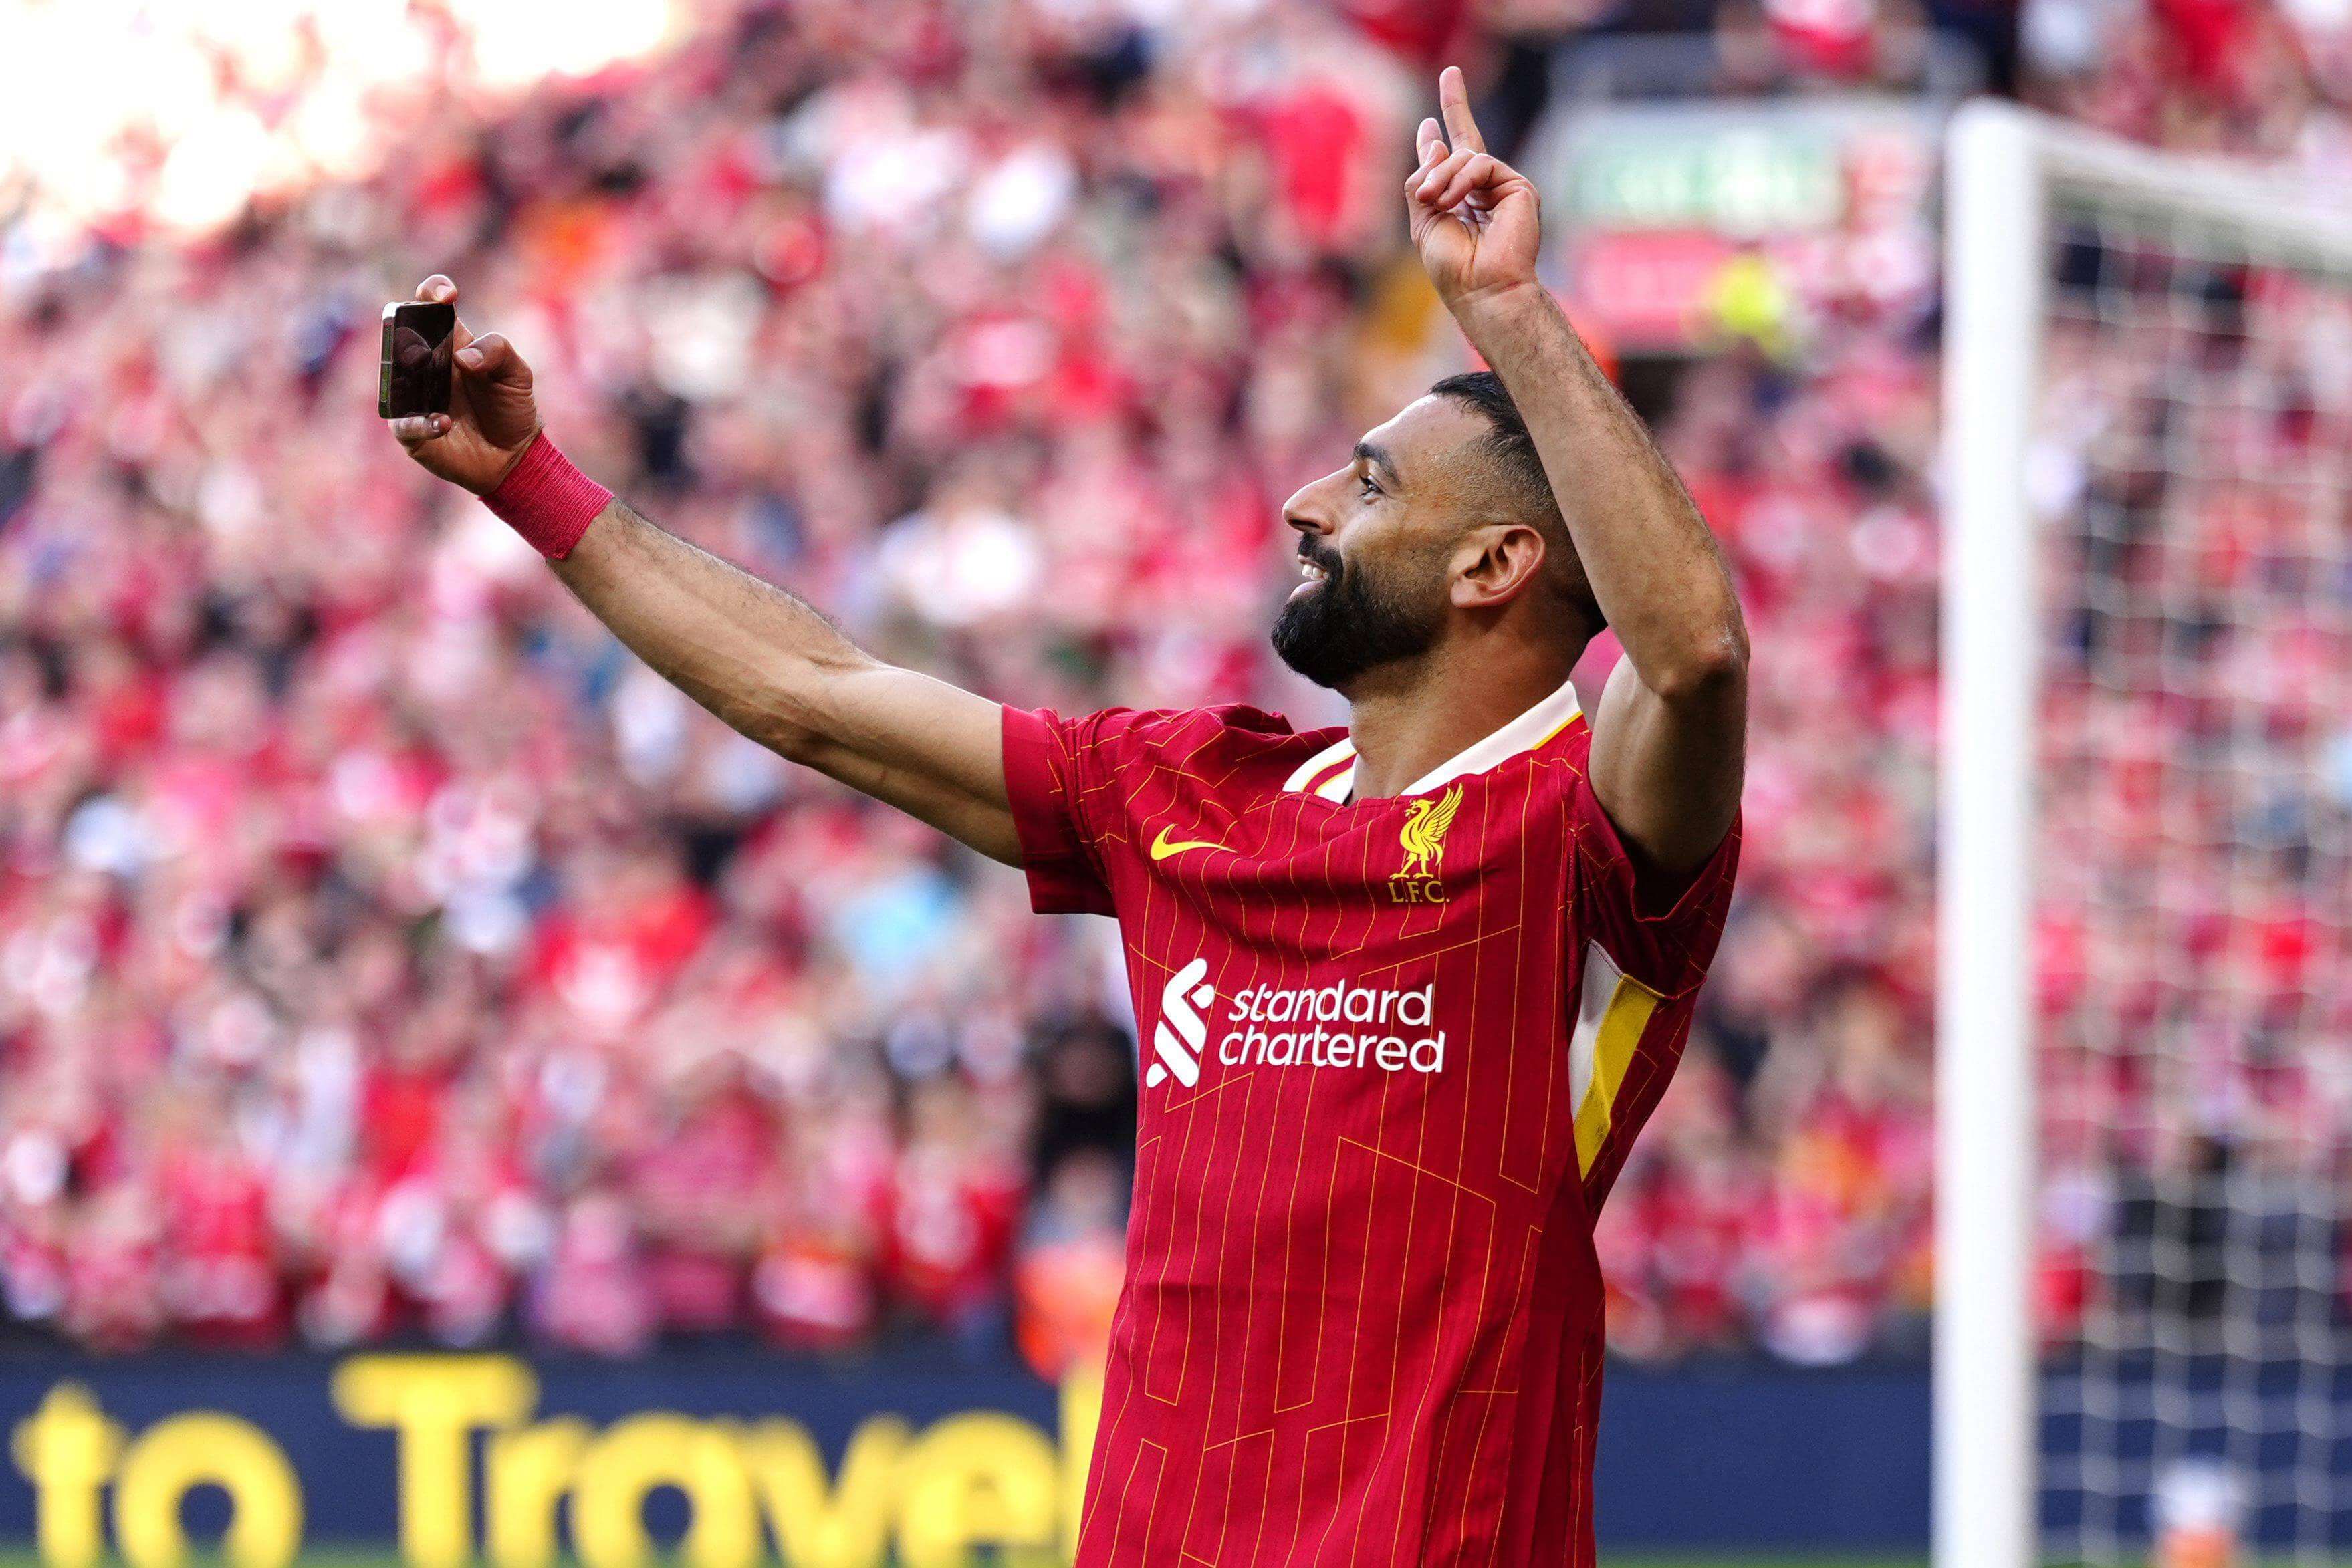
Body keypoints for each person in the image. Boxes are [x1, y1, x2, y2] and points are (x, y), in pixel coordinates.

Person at [390, 65, 1744, 1568]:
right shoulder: (1190, 794)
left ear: (1494, 566)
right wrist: (528, 483)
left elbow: (1690, 654)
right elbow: (814, 693)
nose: (1303, 504)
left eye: (1367, 487)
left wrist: (1508, 314)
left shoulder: (1582, 829)